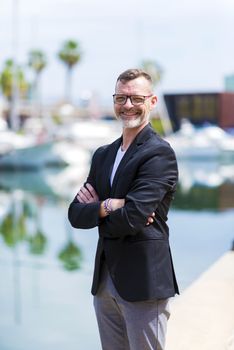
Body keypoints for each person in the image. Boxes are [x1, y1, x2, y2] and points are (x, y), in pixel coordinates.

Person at [68, 68, 179, 350]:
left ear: (152, 102)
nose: (127, 105)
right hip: (105, 281)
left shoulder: (159, 153)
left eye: (135, 98)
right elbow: (74, 214)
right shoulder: (103, 154)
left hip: (142, 282)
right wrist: (110, 205)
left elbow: (132, 218)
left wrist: (98, 210)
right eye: (121, 98)